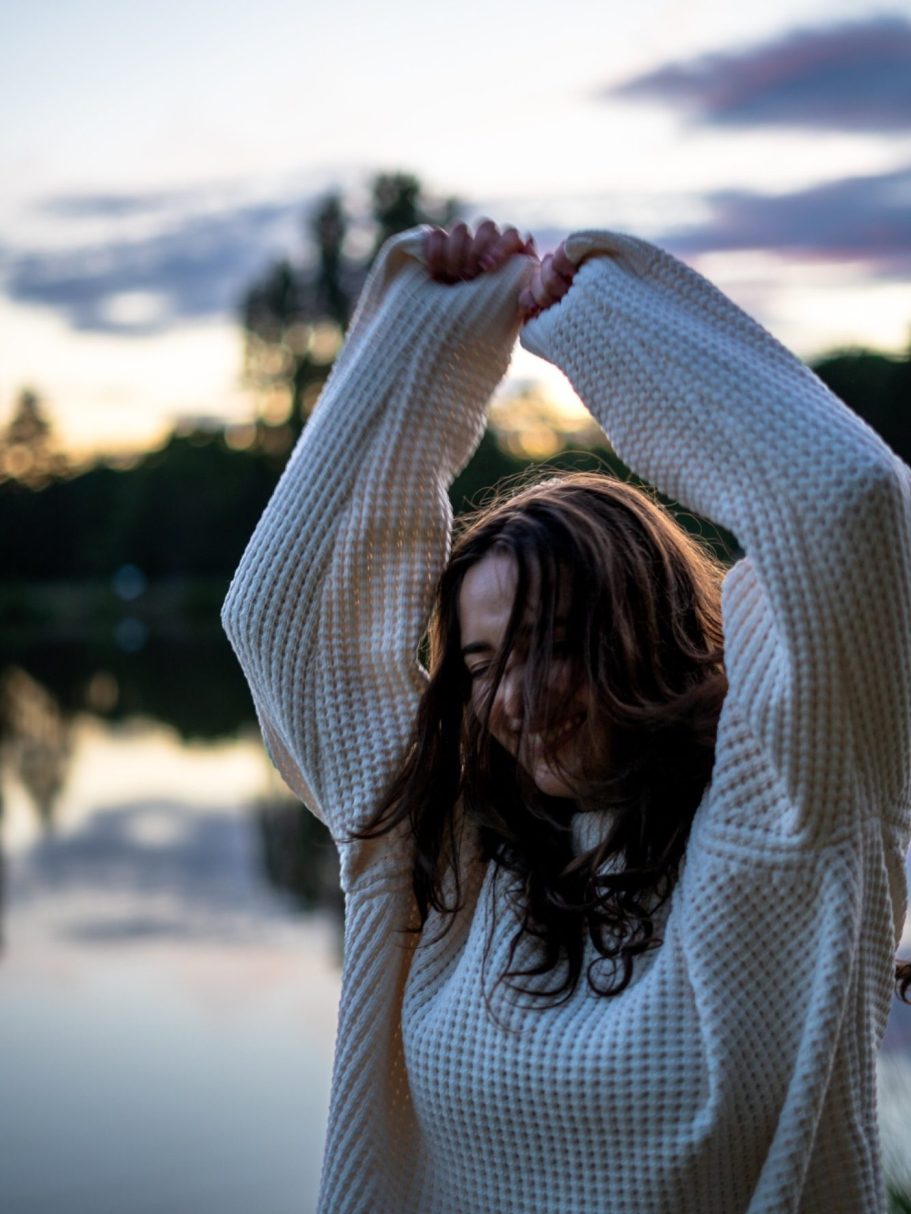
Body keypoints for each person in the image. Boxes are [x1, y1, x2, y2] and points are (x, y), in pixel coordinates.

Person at [221, 219, 911, 1213]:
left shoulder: (781, 814)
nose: (514, 696)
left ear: (652, 629)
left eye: (552, 642)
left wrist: (601, 318)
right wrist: (429, 338)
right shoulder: (437, 848)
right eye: (479, 663)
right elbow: (280, 620)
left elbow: (852, 508)